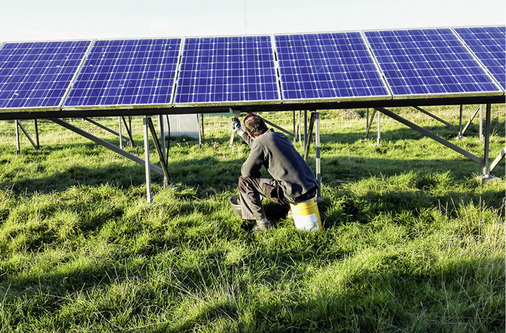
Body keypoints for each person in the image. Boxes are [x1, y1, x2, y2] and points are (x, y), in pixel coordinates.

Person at [232, 113, 319, 233]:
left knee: (245, 180)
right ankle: (291, 212)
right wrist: (241, 133)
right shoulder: (279, 136)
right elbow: (259, 144)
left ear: (251, 134)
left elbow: (246, 172)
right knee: (284, 178)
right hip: (309, 188)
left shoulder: (260, 143)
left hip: (293, 193)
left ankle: (262, 224)